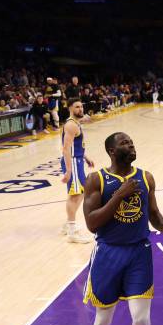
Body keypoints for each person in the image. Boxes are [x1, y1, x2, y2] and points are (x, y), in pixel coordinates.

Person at [83, 132, 163, 325]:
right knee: (103, 321)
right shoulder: (96, 180)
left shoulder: (146, 177)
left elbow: (153, 212)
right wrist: (118, 196)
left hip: (138, 253)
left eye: (132, 141)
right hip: (108, 253)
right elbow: (92, 223)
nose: (131, 145)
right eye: (125, 143)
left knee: (141, 319)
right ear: (112, 151)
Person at [61, 98, 95, 243]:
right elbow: (66, 149)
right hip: (73, 163)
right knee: (76, 195)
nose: (80, 109)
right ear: (70, 108)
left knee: (80, 192)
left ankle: (68, 224)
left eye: (81, 106)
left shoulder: (75, 123)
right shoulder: (71, 125)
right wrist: (69, 171)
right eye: (77, 107)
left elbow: (76, 145)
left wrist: (85, 157)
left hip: (78, 160)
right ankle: (72, 232)